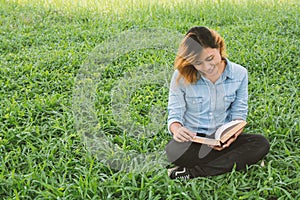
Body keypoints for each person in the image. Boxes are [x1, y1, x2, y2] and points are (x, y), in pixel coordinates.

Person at [165, 26, 270, 179]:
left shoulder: (239, 74)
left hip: (224, 139)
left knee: (261, 143)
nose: (207, 67)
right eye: (198, 63)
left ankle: (194, 172)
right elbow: (175, 114)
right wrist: (177, 130)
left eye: (210, 58)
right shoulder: (180, 76)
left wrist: (233, 135)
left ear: (219, 48)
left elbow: (239, 114)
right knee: (173, 151)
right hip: (195, 140)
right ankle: (238, 161)